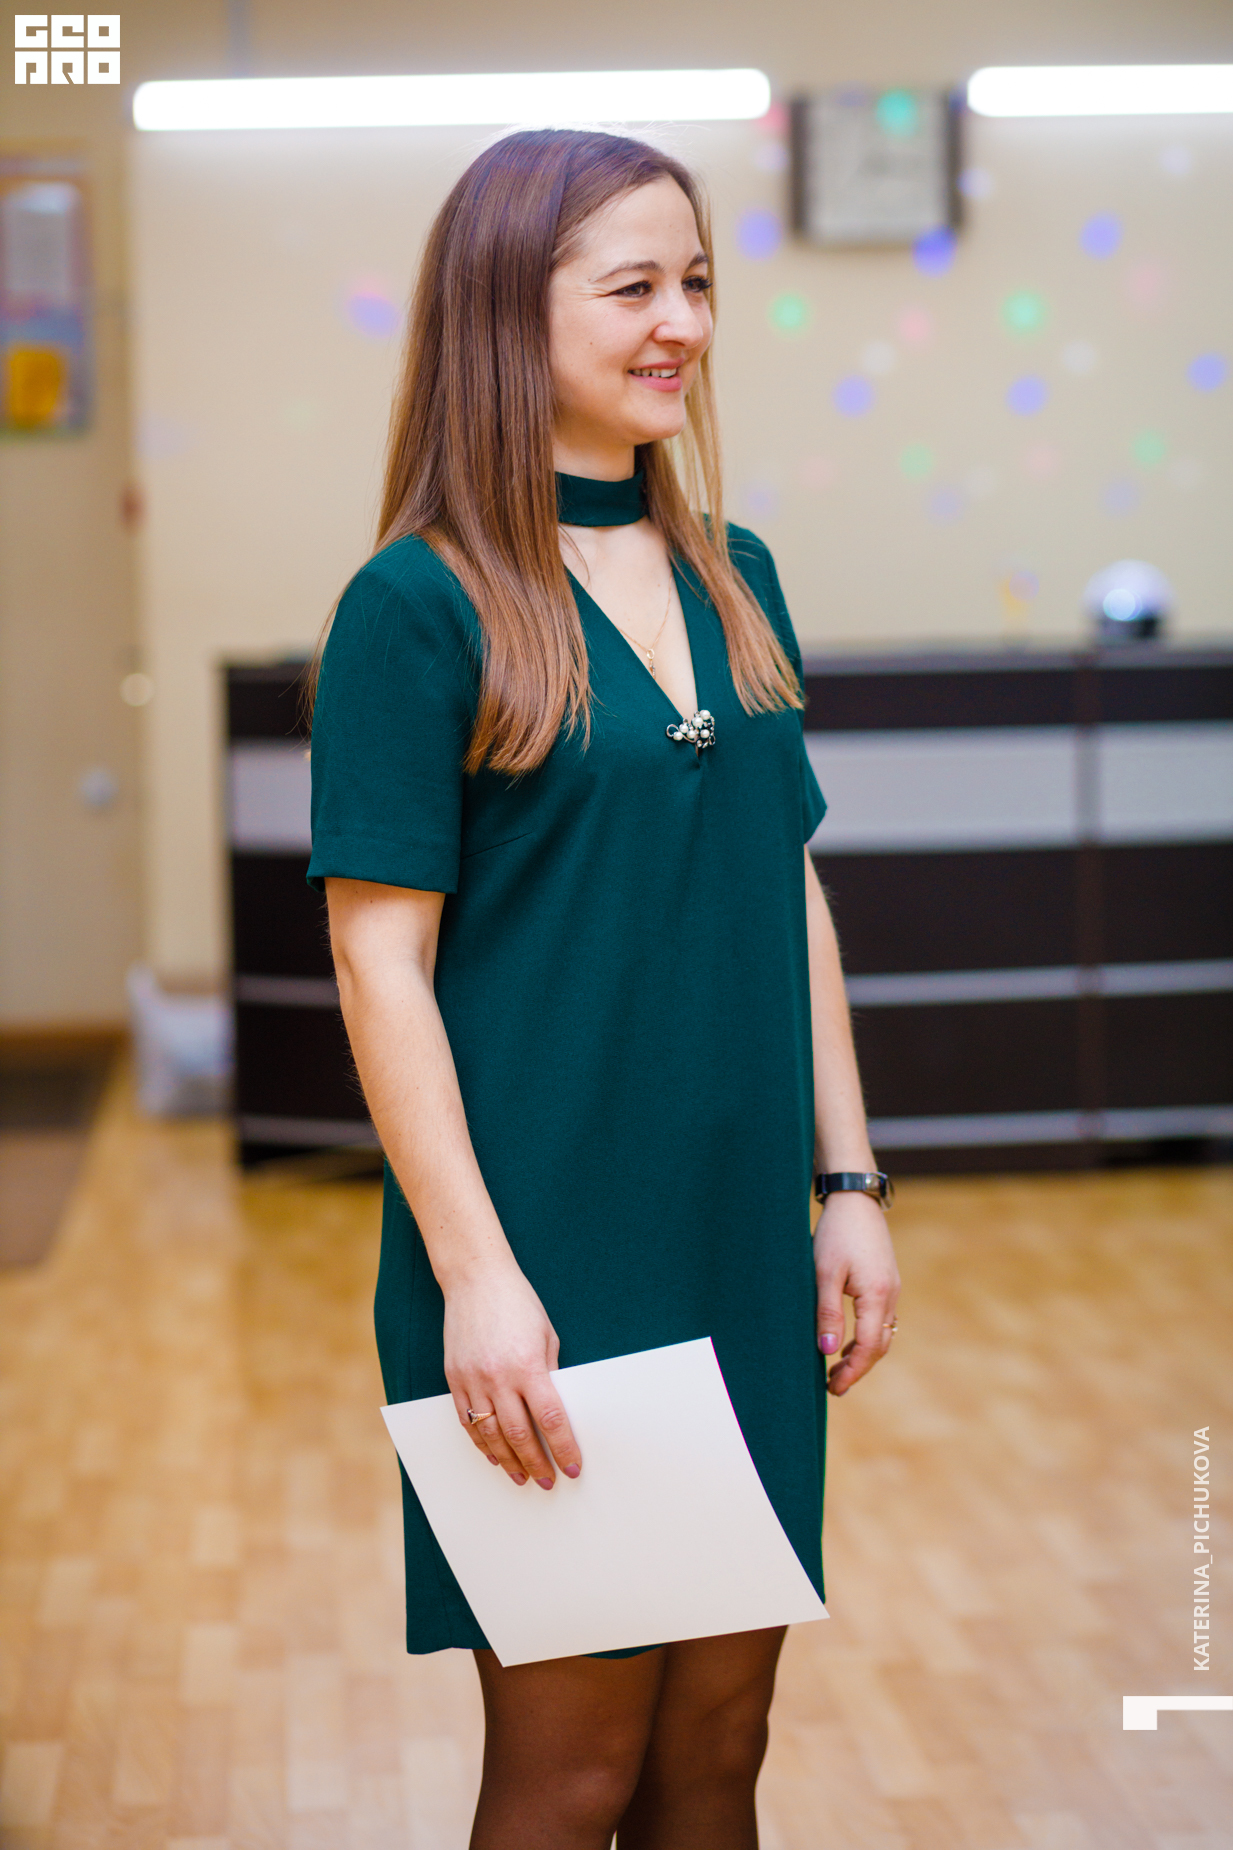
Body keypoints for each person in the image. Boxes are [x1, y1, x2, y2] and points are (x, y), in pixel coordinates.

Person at [307, 127, 900, 1850]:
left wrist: (847, 1183)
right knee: (571, 1773)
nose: (682, 323)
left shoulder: (736, 569)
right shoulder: (415, 606)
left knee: (718, 1753)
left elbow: (785, 883)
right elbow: (378, 960)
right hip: (541, 1260)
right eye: (633, 285)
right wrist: (476, 1277)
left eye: (696, 281)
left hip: (733, 1236)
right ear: (508, 312)